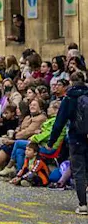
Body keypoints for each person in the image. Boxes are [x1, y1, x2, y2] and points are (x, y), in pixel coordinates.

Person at [47, 71, 88, 215]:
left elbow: (59, 122)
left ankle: (83, 204)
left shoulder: (69, 98)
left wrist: (52, 141)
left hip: (76, 138)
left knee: (79, 170)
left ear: (71, 82)